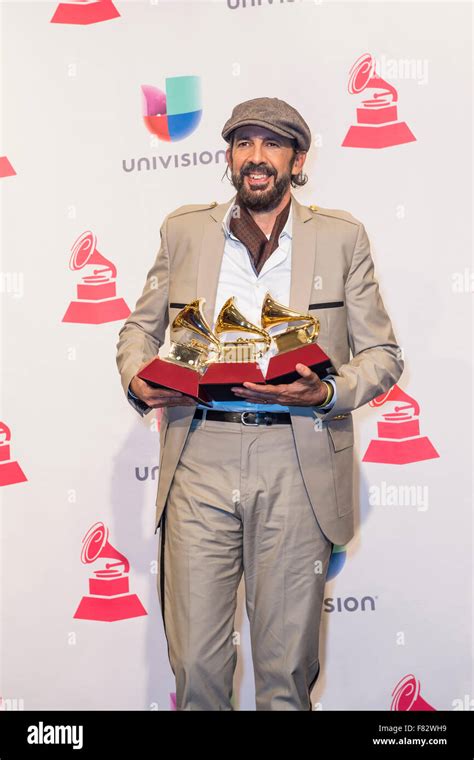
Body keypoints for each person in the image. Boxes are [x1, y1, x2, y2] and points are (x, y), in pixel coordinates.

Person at [116, 97, 404, 711]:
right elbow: (138, 330)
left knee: (285, 670)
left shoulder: (342, 237)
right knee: (195, 664)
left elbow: (382, 356)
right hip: (199, 455)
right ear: (229, 157)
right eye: (243, 143)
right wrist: (137, 378)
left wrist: (325, 391)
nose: (256, 157)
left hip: (296, 457)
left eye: (272, 144)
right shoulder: (184, 229)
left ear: (298, 159)